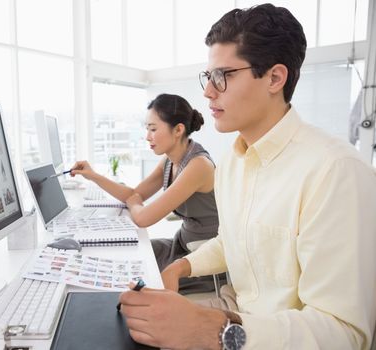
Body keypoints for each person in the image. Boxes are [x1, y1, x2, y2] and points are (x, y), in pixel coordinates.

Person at [118, 4, 376, 350]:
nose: (208, 92)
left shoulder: (336, 172)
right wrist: (181, 268)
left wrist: (217, 331)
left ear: (274, 78)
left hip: (255, 335)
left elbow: (345, 333)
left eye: (223, 75)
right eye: (208, 77)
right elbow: (232, 242)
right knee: (121, 322)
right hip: (236, 313)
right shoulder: (233, 163)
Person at [71, 93, 219, 293]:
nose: (148, 136)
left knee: (134, 282)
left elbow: (143, 218)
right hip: (182, 245)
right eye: (147, 129)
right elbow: (134, 193)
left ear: (178, 130)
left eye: (153, 129)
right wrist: (93, 176)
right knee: (128, 261)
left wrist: (134, 202)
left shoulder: (199, 165)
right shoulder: (169, 161)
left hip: (202, 259)